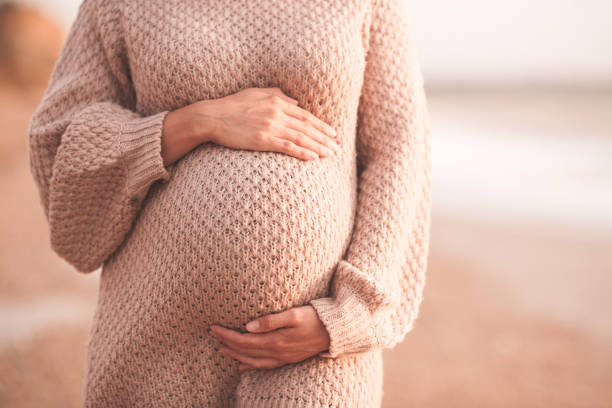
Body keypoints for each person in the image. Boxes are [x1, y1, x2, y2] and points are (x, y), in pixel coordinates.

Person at [27, 0, 432, 406]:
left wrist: (349, 316)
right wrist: (197, 122)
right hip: (156, 339)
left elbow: (399, 146)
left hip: (315, 349)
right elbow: (57, 137)